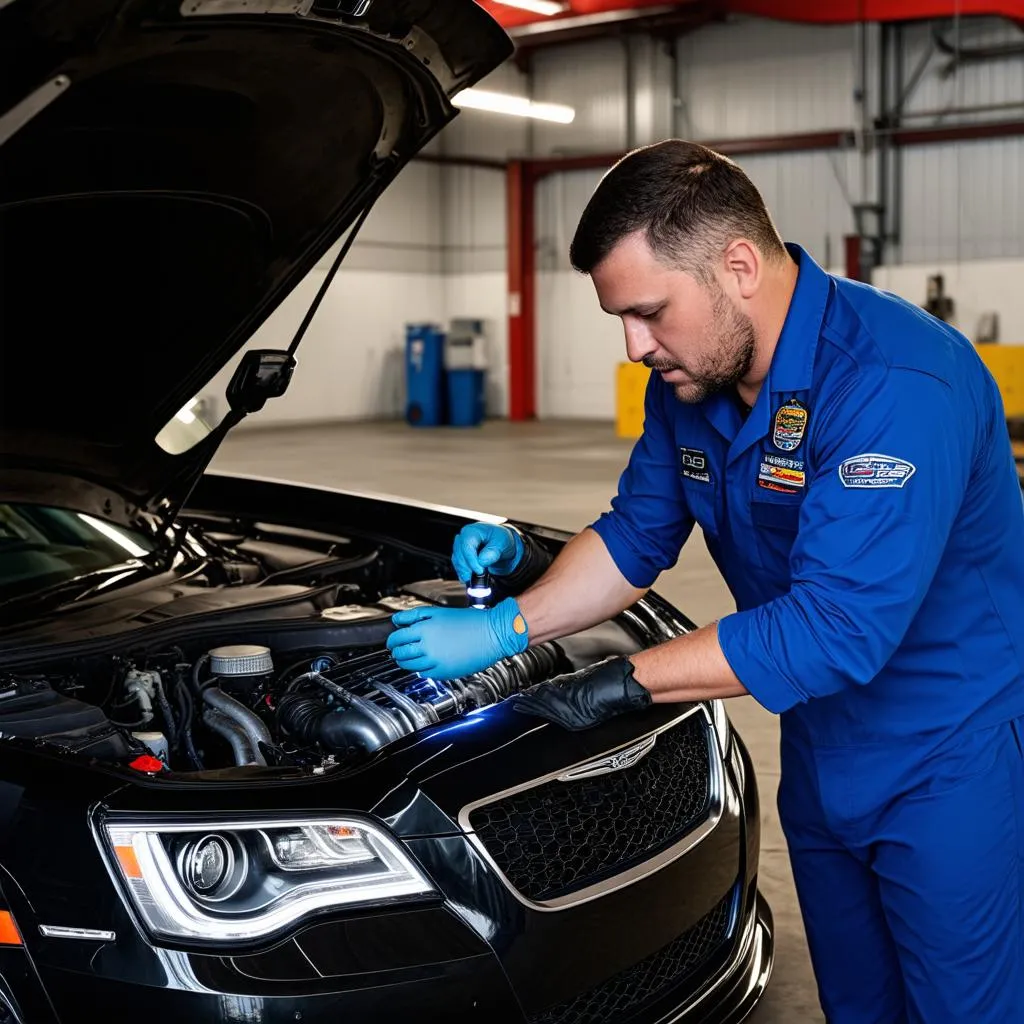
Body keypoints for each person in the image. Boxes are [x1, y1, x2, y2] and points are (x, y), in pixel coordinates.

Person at [386, 140, 1024, 1024]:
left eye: (649, 312)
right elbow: (635, 536)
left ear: (736, 266)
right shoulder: (691, 384)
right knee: (859, 1004)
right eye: (621, 318)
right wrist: (511, 625)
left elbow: (836, 627)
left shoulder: (894, 382)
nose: (634, 345)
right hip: (820, 743)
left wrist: (615, 686)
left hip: (951, 756)